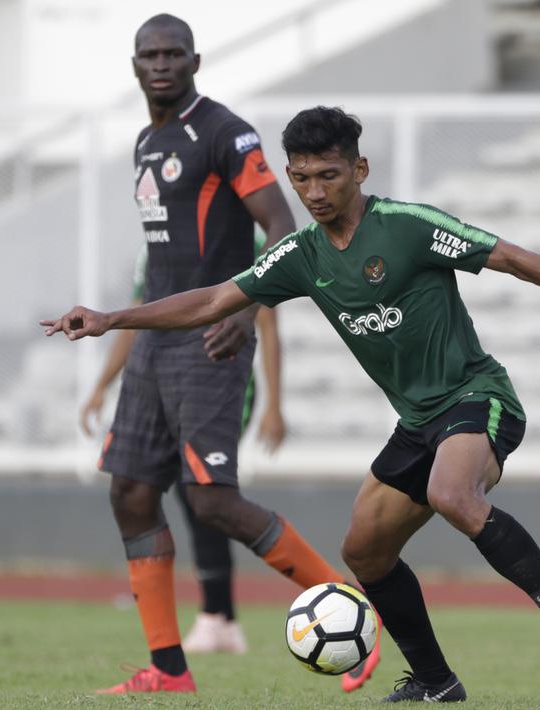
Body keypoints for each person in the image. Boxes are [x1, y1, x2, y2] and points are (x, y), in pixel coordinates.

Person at [43, 105, 540, 702]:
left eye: (327, 175)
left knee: (451, 494)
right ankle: (436, 682)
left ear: (359, 169)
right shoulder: (302, 255)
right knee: (364, 551)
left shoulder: (408, 226)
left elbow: (512, 258)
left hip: (477, 397)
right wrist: (110, 318)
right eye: (300, 178)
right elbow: (210, 302)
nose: (314, 191)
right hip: (417, 424)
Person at [82, 16, 379, 694]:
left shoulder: (223, 132)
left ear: (194, 60)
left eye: (172, 53)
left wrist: (246, 307)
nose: (160, 64)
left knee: (212, 502)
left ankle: (352, 612)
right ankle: (168, 669)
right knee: (129, 493)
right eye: (149, 54)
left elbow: (280, 222)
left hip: (208, 339)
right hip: (157, 344)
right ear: (135, 65)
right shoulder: (146, 140)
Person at [80, 236, 287, 657]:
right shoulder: (153, 248)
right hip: (168, 377)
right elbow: (136, 322)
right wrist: (102, 384)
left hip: (223, 380)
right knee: (190, 492)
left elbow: (266, 323)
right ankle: (220, 618)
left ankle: (219, 616)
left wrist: (275, 406)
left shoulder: (245, 237)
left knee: (205, 491)